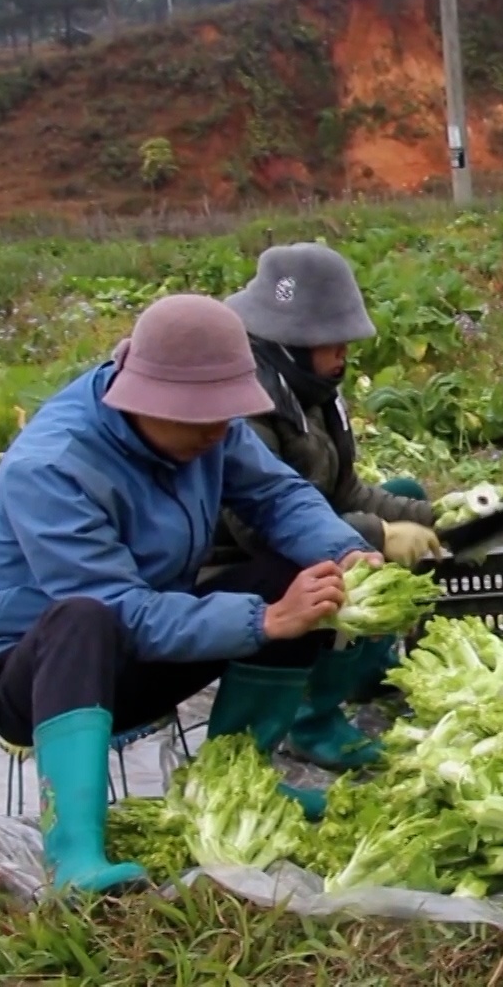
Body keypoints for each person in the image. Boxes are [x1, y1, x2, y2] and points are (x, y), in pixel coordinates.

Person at [0, 295, 383, 893]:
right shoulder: (53, 466)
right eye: (197, 417)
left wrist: (342, 552)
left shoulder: (213, 432)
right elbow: (117, 610)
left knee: (301, 574)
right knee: (83, 617)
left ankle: (234, 780)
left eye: (223, 415)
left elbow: (279, 496)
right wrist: (263, 621)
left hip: (152, 645)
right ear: (138, 398)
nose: (216, 430)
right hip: (37, 676)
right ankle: (75, 855)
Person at [203, 243, 444, 772]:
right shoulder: (247, 404)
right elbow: (262, 529)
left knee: (407, 495)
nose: (342, 355)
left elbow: (345, 492)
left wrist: (436, 516)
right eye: (330, 343)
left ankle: (366, 673)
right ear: (290, 342)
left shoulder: (312, 391)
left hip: (304, 531)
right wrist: (377, 534)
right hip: (234, 567)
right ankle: (310, 720)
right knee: (332, 567)